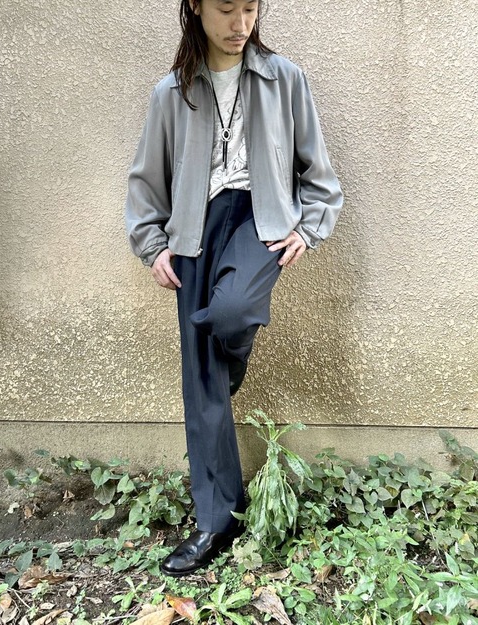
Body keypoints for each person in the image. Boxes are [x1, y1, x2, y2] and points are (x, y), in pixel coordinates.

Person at [125, 0, 343, 577]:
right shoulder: (171, 92)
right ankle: (216, 520)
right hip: (193, 229)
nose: (240, 24)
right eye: (226, 8)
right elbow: (147, 179)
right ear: (196, 7)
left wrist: (309, 227)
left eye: (250, 8)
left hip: (259, 220)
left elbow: (318, 173)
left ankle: (220, 370)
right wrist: (152, 243)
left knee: (231, 314)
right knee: (202, 383)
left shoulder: (283, 79)